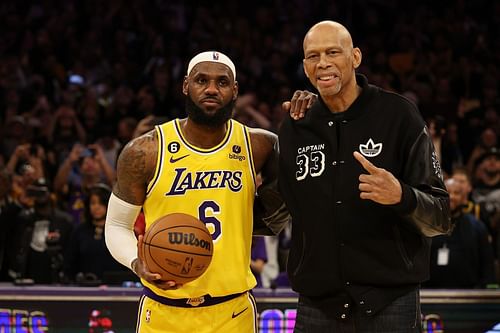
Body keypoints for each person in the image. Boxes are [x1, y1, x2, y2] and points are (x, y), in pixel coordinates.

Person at [105, 51, 314, 332]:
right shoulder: (146, 151)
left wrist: (311, 125)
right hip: (164, 311)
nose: (212, 89)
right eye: (201, 80)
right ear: (185, 85)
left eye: (222, 82)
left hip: (232, 312)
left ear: (235, 90)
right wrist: (137, 261)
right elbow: (117, 225)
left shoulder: (260, 146)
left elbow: (276, 219)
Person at [278, 21, 452, 332]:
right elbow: (280, 207)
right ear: (305, 67)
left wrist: (402, 195)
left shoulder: (398, 115)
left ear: (356, 57)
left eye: (333, 52)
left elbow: (440, 216)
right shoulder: (296, 124)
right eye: (313, 56)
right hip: (318, 304)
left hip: (390, 301)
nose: (323, 63)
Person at [424, 178, 495, 289]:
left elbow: (487, 265)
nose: (451, 197)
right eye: (447, 192)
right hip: (430, 293)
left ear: (464, 199)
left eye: (456, 193)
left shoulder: (477, 226)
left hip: (468, 295)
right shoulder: (426, 225)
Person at [64, 183, 130, 284]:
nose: (96, 207)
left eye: (101, 203)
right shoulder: (79, 231)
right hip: (85, 287)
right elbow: (70, 263)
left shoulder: (118, 231)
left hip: (115, 287)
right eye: (93, 203)